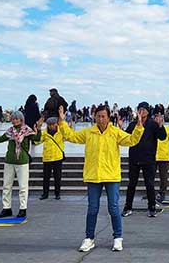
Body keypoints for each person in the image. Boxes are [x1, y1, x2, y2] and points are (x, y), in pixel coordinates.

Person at [60, 104, 144, 252]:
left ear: (108, 117)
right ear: (94, 117)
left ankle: (118, 238)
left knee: (113, 207)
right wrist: (62, 122)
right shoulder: (89, 132)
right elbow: (71, 136)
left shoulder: (115, 132)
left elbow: (131, 141)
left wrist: (138, 127)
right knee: (92, 208)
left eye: (103, 116)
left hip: (111, 175)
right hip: (94, 175)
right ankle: (89, 238)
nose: (100, 119)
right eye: (98, 116)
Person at [0, 111, 41, 219]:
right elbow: (0, 139)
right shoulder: (10, 131)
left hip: (22, 161)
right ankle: (6, 208)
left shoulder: (27, 130)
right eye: (13, 119)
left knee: (23, 187)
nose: (14, 121)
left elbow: (37, 139)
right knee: (7, 185)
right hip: (9, 160)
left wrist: (39, 129)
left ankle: (22, 209)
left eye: (16, 119)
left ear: (21, 119)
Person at [122, 102, 167, 218]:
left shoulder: (153, 124)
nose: (142, 111)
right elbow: (124, 138)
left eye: (144, 109)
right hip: (134, 158)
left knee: (150, 184)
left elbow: (162, 137)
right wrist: (120, 128)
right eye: (140, 109)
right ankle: (128, 207)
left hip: (149, 159)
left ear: (148, 111)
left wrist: (161, 125)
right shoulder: (133, 124)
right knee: (131, 184)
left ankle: (152, 207)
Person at [35, 116, 65, 200]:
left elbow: (69, 135)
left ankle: (57, 193)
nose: (51, 126)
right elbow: (37, 142)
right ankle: (45, 193)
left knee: (57, 177)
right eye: (49, 124)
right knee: (46, 177)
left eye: (53, 124)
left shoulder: (61, 132)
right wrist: (38, 129)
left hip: (57, 157)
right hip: (47, 158)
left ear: (56, 124)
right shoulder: (44, 133)